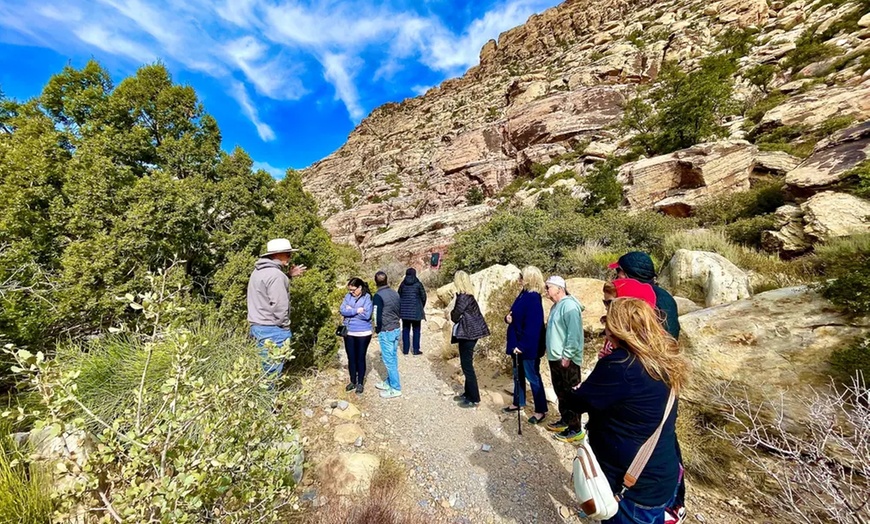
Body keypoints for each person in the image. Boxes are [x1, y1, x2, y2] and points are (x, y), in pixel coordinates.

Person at [571, 298, 691, 524]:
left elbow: (578, 403)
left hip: (632, 482)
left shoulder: (621, 364)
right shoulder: (663, 359)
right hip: (661, 473)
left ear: (616, 328)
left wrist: (579, 391)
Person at [247, 238, 307, 375]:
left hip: (257, 326)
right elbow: (280, 306)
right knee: (271, 372)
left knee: (262, 368)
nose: (289, 257)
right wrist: (284, 327)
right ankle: (269, 396)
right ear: (276, 255)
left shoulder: (258, 271)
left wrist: (288, 276)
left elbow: (266, 289)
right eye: (287, 254)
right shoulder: (276, 276)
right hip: (272, 329)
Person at [503, 266, 548, 424]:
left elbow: (533, 327)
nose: (519, 279)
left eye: (522, 276)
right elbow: (514, 313)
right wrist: (507, 318)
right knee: (517, 375)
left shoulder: (533, 297)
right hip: (517, 343)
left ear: (529, 278)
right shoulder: (523, 294)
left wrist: (521, 346)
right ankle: (518, 402)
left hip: (528, 347)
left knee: (533, 377)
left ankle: (540, 410)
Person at [543, 275, 585, 443]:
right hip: (556, 357)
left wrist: (567, 355)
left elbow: (573, 334)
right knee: (561, 392)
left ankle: (575, 429)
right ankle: (565, 420)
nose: (546, 291)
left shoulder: (569, 307)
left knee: (571, 393)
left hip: (567, 359)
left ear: (559, 288)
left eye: (548, 287)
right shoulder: (556, 306)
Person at [609, 252, 680, 340]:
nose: (617, 276)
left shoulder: (634, 299)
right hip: (667, 350)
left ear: (625, 274)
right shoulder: (665, 296)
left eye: (618, 271)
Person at [450, 270, 490, 408]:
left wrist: (452, 313)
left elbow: (455, 316)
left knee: (467, 366)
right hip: (471, 333)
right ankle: (468, 393)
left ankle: (474, 398)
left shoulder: (463, 297)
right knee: (466, 364)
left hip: (468, 333)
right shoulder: (469, 296)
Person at [599, 278, 657, 359]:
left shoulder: (645, 343)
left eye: (610, 303)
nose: (607, 308)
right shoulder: (617, 329)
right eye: (605, 303)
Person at [340, 277, 373, 394]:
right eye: (350, 290)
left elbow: (367, 315)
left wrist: (350, 311)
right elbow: (342, 310)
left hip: (363, 333)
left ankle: (360, 383)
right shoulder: (348, 297)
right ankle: (352, 381)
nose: (351, 292)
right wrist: (356, 310)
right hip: (349, 332)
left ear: (360, 288)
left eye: (353, 290)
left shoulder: (367, 298)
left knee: (360, 357)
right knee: (351, 358)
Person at [372, 271, 402, 399]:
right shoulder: (394, 293)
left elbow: (376, 314)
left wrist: (377, 328)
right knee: (393, 357)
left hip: (386, 330)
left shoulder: (378, 296)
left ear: (375, 281)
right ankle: (389, 382)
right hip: (395, 328)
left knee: (389, 361)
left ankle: (395, 388)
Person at [397, 268, 427, 355]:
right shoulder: (418, 284)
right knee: (416, 330)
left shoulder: (402, 285)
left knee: (405, 330)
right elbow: (424, 297)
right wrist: (421, 306)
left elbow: (398, 296)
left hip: (405, 313)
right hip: (416, 312)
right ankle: (416, 350)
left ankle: (405, 350)